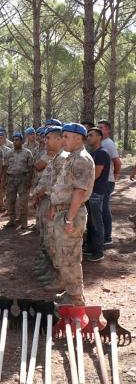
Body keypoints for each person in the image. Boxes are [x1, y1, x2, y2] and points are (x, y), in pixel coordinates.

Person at [48, 123, 94, 306]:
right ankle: (70, 292)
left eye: (66, 137)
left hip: (71, 213)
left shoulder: (82, 159)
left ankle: (75, 299)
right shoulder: (72, 157)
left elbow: (79, 192)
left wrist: (69, 218)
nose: (63, 140)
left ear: (77, 138)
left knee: (70, 257)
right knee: (64, 256)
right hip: (64, 211)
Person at [32, 126, 67, 289]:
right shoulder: (54, 157)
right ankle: (52, 271)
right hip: (47, 200)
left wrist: (43, 191)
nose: (45, 141)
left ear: (59, 139)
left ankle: (60, 277)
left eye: (49, 138)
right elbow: (45, 177)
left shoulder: (64, 158)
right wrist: (39, 192)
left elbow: (62, 185)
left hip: (56, 204)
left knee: (56, 241)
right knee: (47, 238)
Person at [83, 127, 110, 262]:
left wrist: (82, 186)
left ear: (99, 137)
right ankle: (92, 246)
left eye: (91, 135)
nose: (88, 138)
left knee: (97, 222)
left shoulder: (101, 153)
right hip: (91, 192)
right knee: (91, 222)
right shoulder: (94, 153)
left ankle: (98, 251)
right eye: (87, 136)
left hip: (96, 193)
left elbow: (96, 174)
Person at [2, 132, 34, 229]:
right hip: (11, 178)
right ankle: (12, 220)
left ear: (21, 141)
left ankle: (24, 222)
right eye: (14, 140)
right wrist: (3, 180)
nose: (15, 142)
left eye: (17, 140)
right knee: (10, 200)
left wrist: (29, 181)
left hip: (22, 179)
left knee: (23, 201)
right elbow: (5, 167)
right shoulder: (8, 153)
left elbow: (31, 168)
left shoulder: (27, 153)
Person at [98, 119, 121, 245]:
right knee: (101, 208)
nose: (99, 129)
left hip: (107, 181)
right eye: (98, 127)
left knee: (104, 208)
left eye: (101, 127)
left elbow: (117, 162)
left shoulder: (108, 143)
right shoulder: (102, 142)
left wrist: (115, 175)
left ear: (108, 130)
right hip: (104, 181)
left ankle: (107, 237)